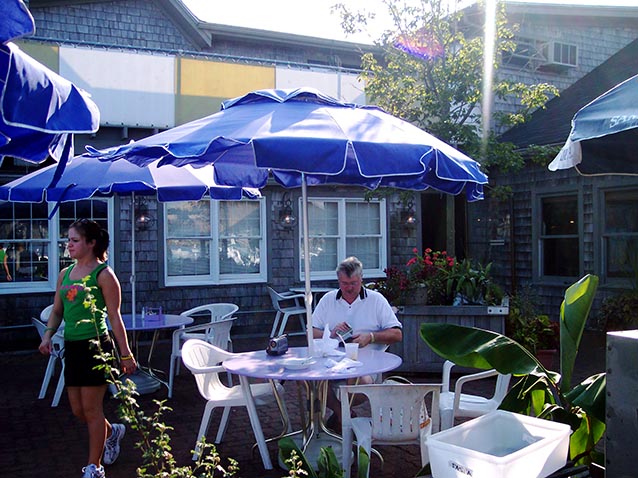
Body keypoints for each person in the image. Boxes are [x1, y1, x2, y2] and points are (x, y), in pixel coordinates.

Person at [38, 219, 137, 478]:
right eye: (68, 240)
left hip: (96, 348)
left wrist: (125, 354)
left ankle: (95, 467)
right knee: (78, 410)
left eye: (75, 240)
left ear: (91, 243)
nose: (69, 245)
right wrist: (47, 336)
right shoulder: (65, 273)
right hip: (72, 348)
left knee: (92, 410)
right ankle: (112, 432)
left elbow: (115, 317)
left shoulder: (104, 275)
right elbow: (57, 311)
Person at [312, 256, 402, 428]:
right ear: (338, 280)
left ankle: (341, 418)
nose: (349, 288)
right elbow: (311, 333)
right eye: (344, 283)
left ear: (361, 279)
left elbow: (397, 334)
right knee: (308, 381)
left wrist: (371, 337)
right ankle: (342, 413)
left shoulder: (376, 300)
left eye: (353, 283)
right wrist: (330, 333)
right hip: (331, 363)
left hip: (366, 366)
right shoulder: (328, 300)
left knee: (356, 380)